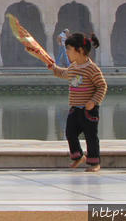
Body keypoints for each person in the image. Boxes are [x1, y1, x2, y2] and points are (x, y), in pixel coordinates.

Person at [46, 32, 107, 172]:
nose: (66, 52)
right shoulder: (73, 67)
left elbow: (102, 86)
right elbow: (64, 74)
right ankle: (79, 157)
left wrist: (94, 101)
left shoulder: (92, 69)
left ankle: (94, 162)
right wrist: (54, 68)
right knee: (70, 133)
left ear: (79, 50)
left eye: (68, 49)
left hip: (88, 110)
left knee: (91, 136)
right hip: (75, 109)